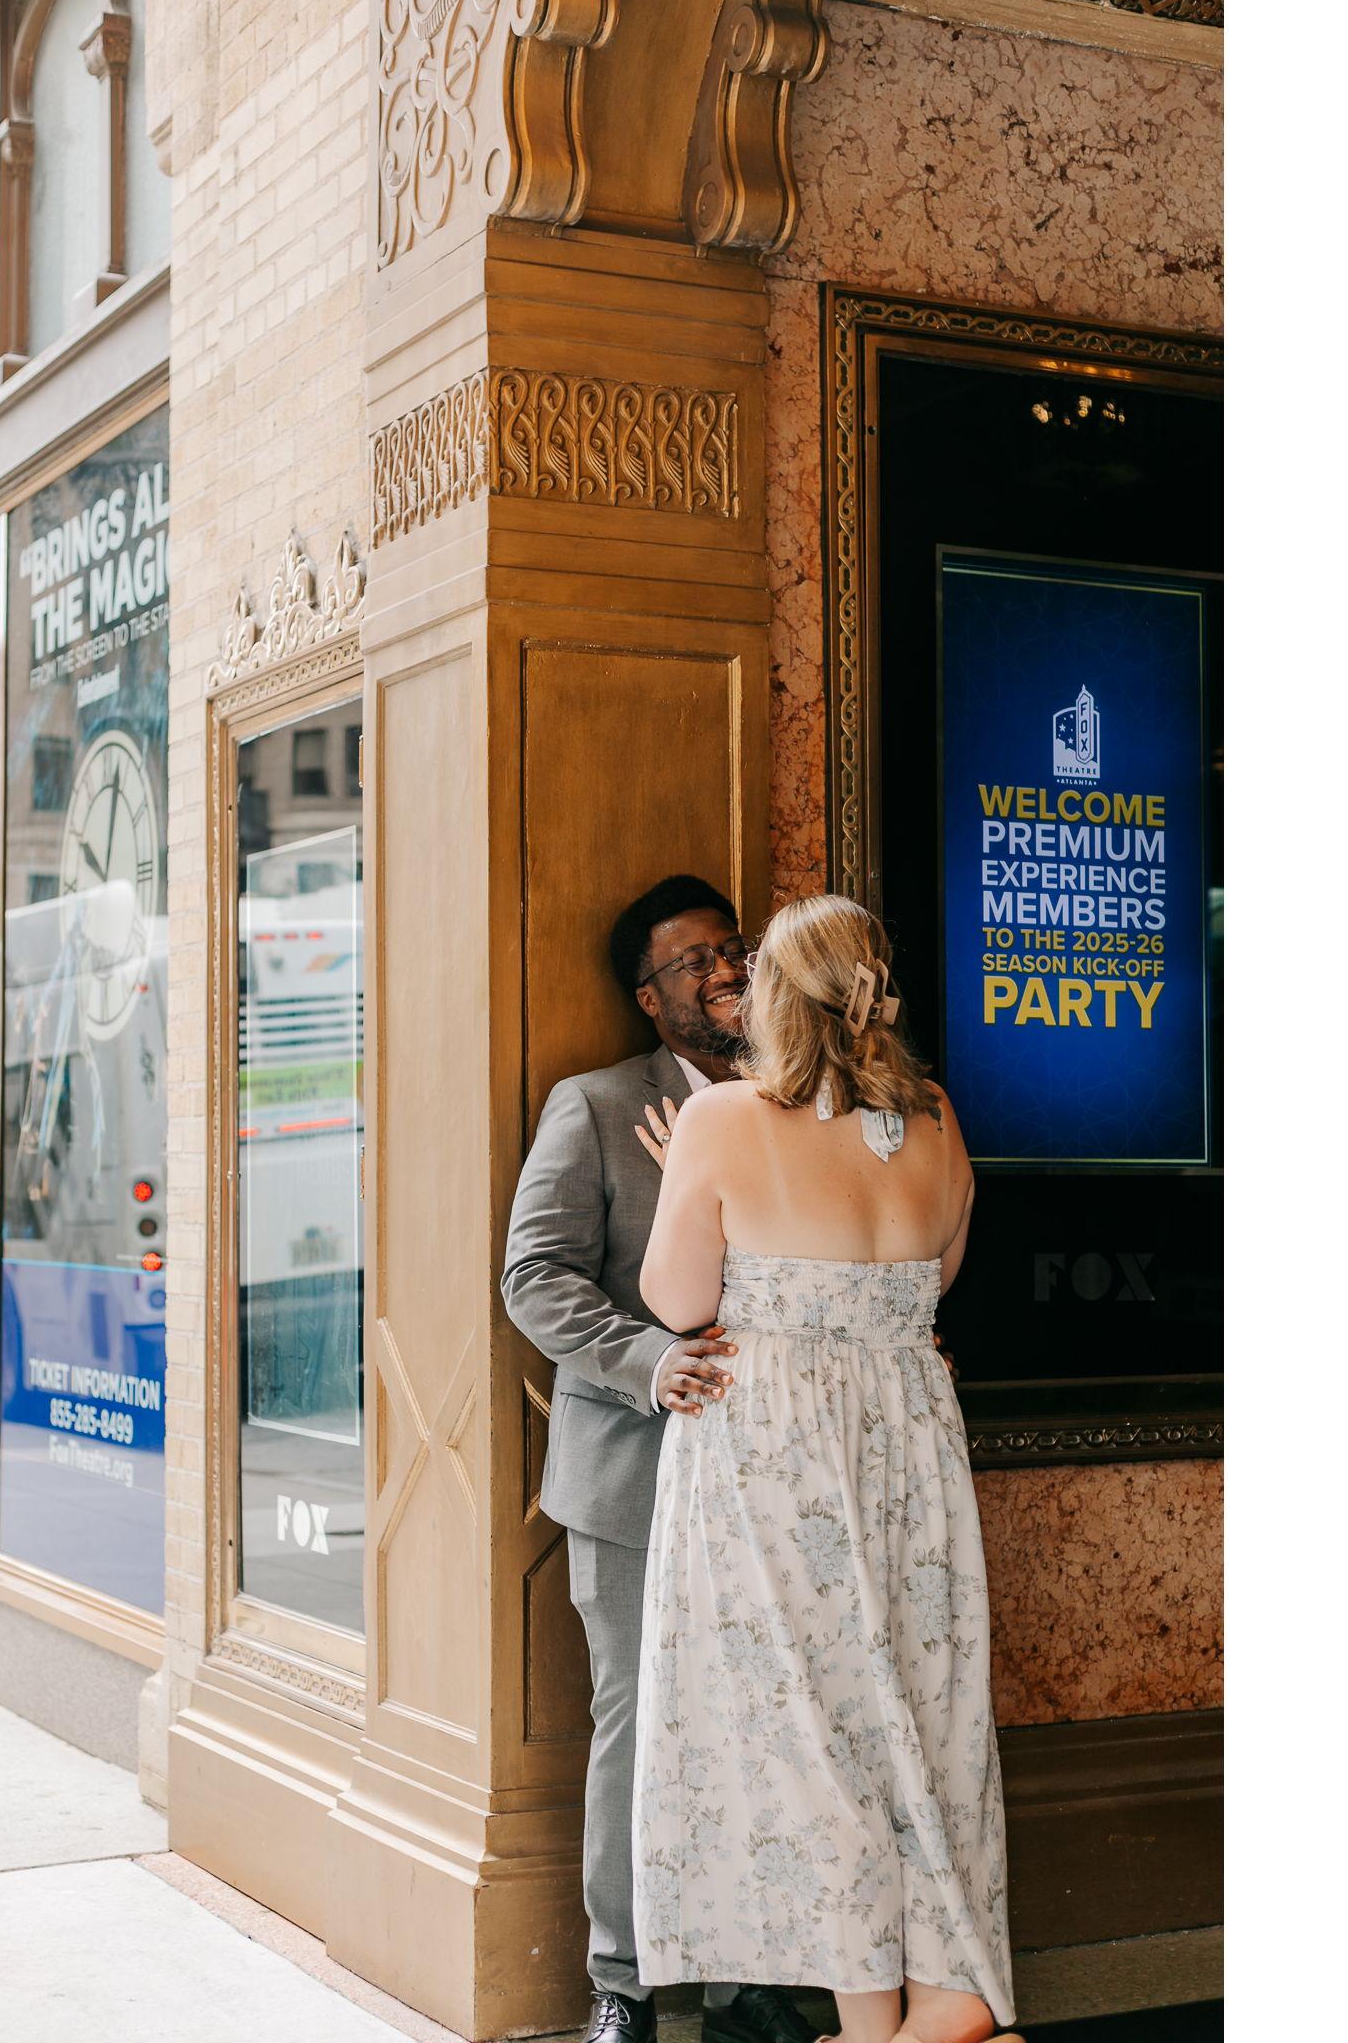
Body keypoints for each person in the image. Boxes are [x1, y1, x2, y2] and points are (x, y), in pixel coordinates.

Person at [628, 893, 1022, 2043]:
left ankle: (870, 2012)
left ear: (770, 996)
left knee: (812, 1724)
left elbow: (676, 1301)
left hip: (773, 1457)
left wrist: (686, 1170)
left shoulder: (722, 1118)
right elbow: (934, 1275)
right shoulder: (937, 1115)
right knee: (926, 1712)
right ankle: (948, 1992)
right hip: (910, 1437)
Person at [502, 875, 824, 2043]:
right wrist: (647, 1360)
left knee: (755, 1721)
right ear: (649, 998)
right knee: (638, 1723)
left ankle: (750, 1977)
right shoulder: (590, 1105)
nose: (723, 968)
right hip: (635, 1472)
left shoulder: (799, 1100)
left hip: (774, 1476)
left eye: (733, 947)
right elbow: (532, 1276)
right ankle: (623, 1982)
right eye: (693, 959)